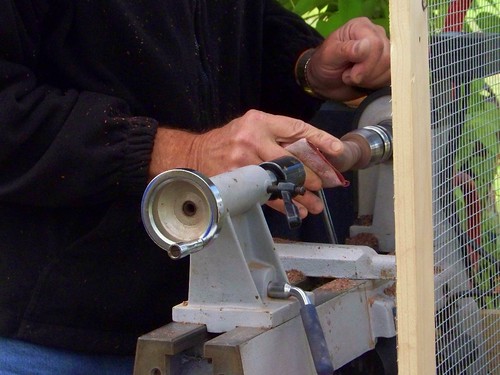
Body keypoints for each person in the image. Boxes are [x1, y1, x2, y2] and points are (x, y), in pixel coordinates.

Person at [0, 1, 390, 373]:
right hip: (45, 340)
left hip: (206, 319)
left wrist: (306, 67)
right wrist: (185, 151)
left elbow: (239, 27)